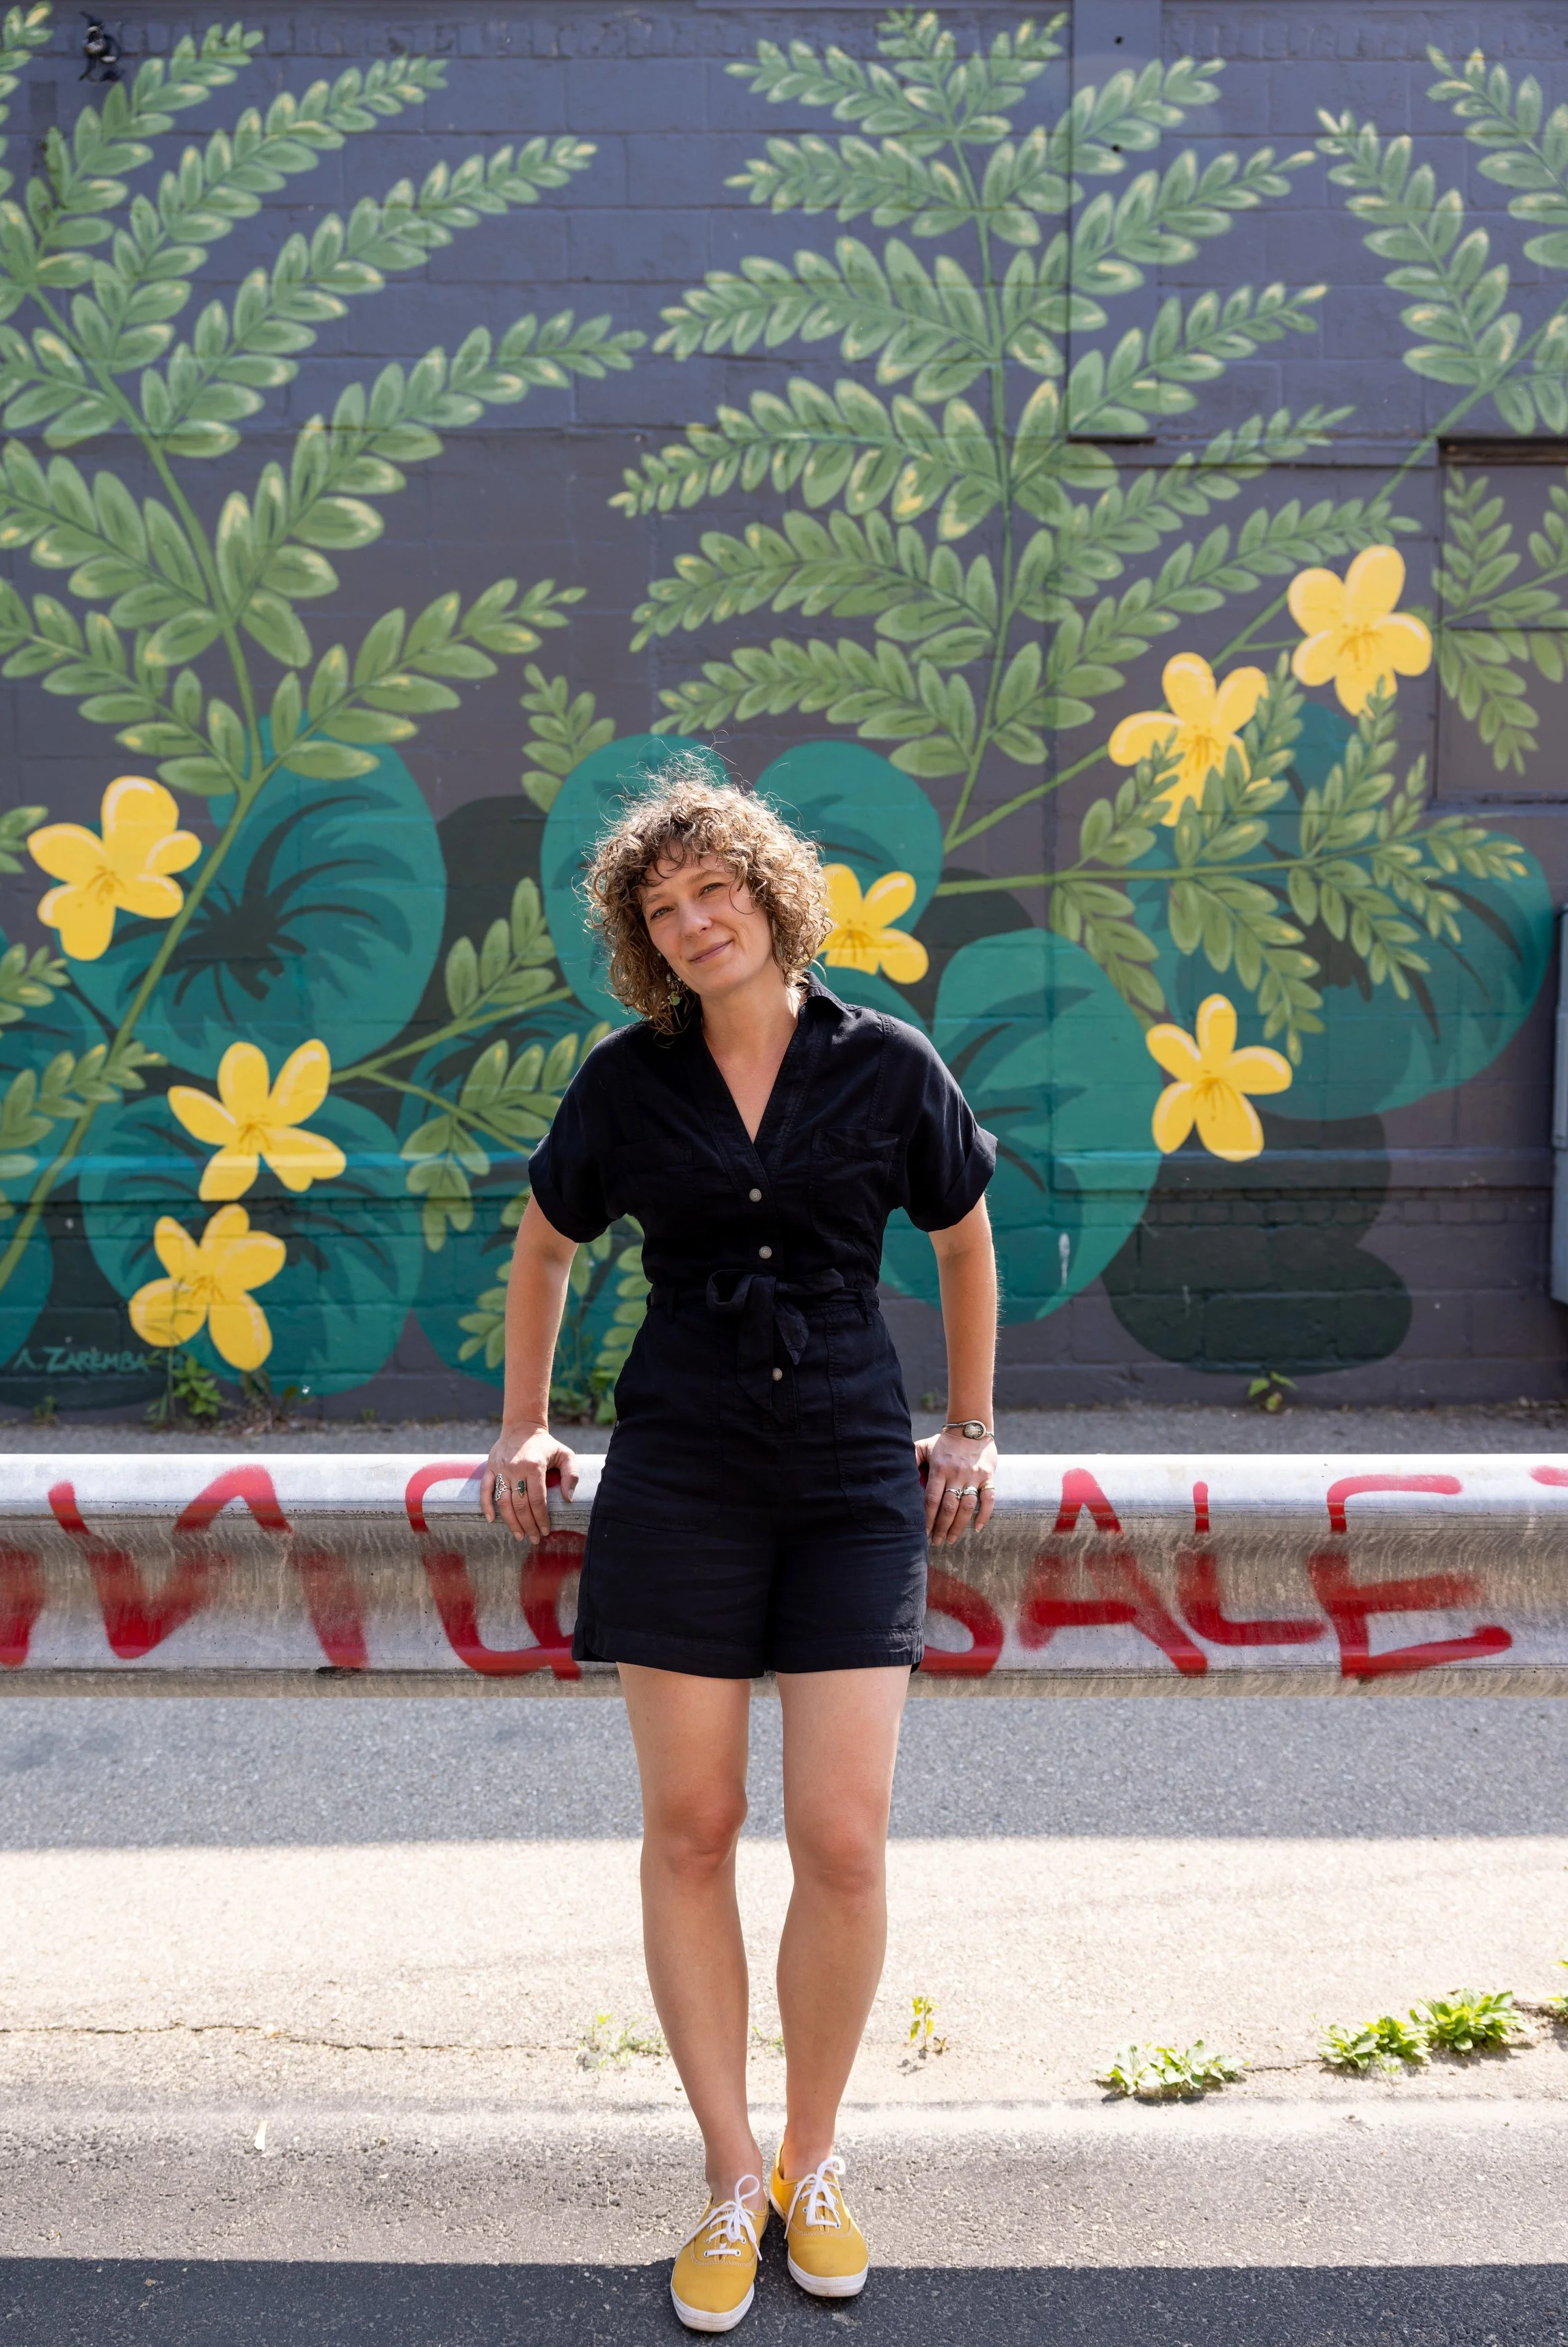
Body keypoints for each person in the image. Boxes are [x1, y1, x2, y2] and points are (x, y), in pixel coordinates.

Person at [481, 763, 999, 2334]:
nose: (693, 922)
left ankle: (809, 2160)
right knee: (693, 1826)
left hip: (848, 1479)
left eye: (713, 889)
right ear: (642, 940)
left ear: (769, 893)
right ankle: (724, 2173)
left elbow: (962, 1236)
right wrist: (523, 1423)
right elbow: (545, 1244)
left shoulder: (885, 1064)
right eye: (661, 908)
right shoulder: (626, 1082)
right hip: (682, 1476)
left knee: (839, 1839)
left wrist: (970, 1426)